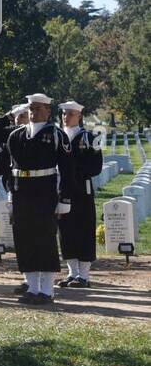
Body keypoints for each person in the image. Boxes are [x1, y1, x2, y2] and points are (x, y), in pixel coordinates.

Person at [5, 94, 76, 305]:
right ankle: (32, 288)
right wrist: (10, 193)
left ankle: (47, 290)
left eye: (37, 109)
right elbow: (10, 169)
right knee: (25, 239)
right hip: (21, 193)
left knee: (44, 239)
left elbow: (67, 170)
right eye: (30, 108)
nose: (33, 112)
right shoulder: (16, 136)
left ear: (47, 111)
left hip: (44, 192)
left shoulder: (57, 135)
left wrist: (65, 198)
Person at [57, 101, 102, 289]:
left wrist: (73, 171)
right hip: (62, 190)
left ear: (79, 116)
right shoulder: (58, 137)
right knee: (66, 231)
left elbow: (96, 166)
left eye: (70, 114)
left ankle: (83, 275)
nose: (66, 117)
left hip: (81, 190)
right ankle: (72, 272)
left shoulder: (91, 137)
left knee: (83, 230)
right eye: (64, 114)